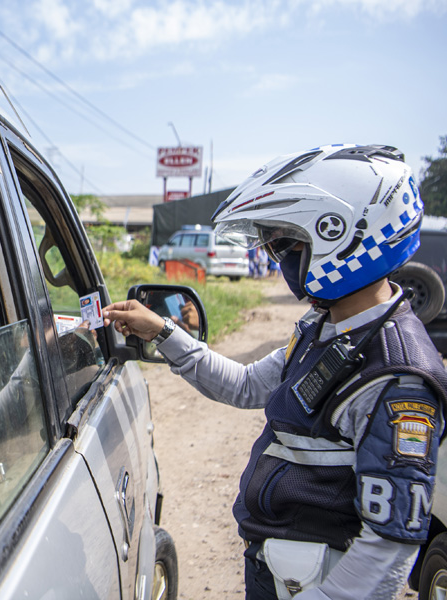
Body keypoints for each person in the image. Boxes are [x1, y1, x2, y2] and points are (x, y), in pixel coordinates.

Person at [103, 144, 447, 599]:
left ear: (342, 237)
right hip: (277, 569)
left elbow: (388, 546)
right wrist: (164, 331)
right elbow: (246, 385)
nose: (275, 256)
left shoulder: (398, 377)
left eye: (285, 242)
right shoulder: (326, 327)